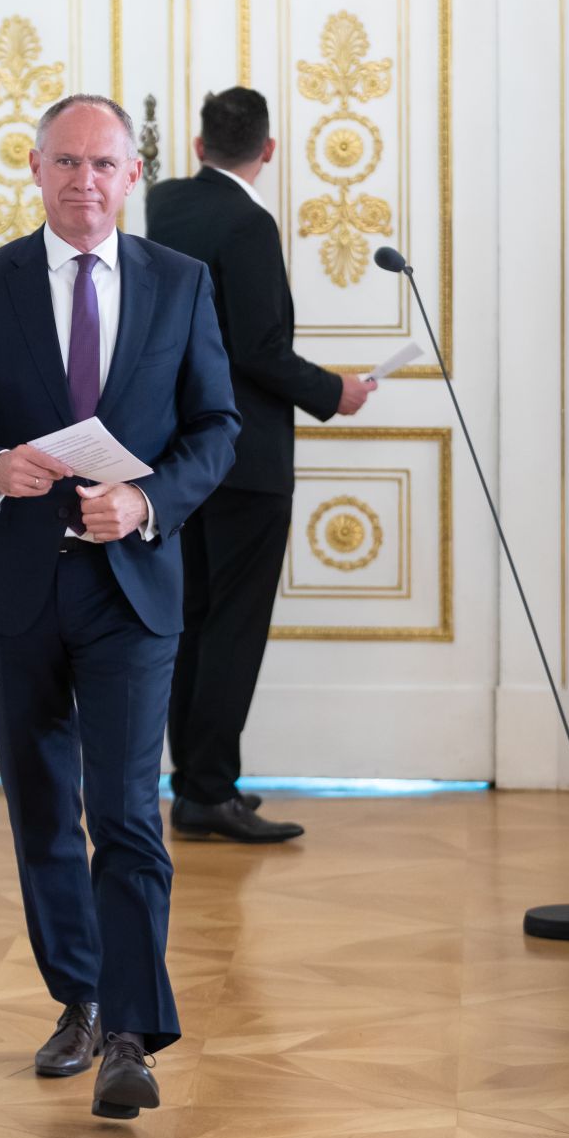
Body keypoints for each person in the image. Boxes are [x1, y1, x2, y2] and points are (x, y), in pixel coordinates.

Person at [0, 94, 239, 1120]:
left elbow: (217, 427)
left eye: (105, 164)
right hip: (12, 589)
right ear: (35, 170)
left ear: (133, 176)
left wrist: (146, 499)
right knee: (43, 807)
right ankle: (79, 999)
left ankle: (132, 1032)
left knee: (128, 810)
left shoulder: (183, 283)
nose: (85, 182)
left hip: (131, 586)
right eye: (67, 163)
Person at [146, 86, 377, 844]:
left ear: (197, 144)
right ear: (268, 151)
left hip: (175, 456)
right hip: (244, 460)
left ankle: (196, 789)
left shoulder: (164, 204)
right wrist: (333, 392)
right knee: (232, 631)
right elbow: (258, 349)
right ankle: (208, 792)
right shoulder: (247, 223)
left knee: (188, 626)